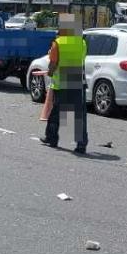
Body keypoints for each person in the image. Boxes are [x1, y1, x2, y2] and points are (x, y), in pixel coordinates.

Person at [41, 14, 88, 153]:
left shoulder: (58, 43)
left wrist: (50, 72)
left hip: (61, 84)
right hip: (77, 83)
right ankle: (81, 145)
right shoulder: (82, 43)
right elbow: (82, 58)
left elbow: (53, 63)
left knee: (56, 113)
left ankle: (51, 138)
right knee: (79, 116)